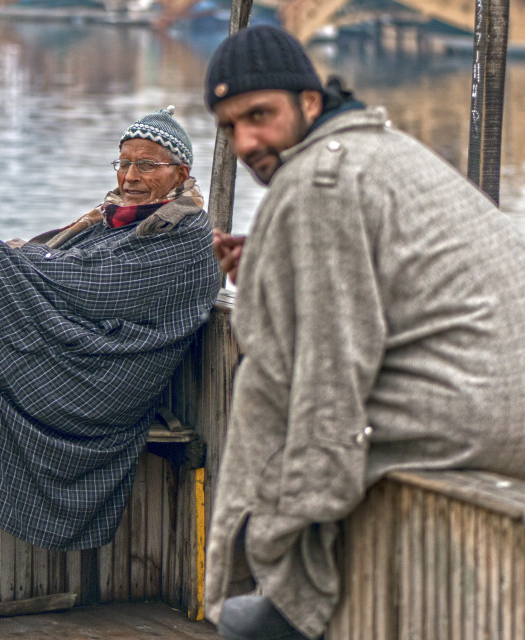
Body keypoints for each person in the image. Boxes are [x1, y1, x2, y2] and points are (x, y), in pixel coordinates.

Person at [203, 25, 525, 640]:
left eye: (260, 115)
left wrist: (276, 532)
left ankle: (271, 600)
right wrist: (273, 263)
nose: (246, 141)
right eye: (229, 127)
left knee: (263, 382)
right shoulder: (382, 150)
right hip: (502, 415)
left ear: (311, 102)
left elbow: (330, 370)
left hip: (455, 421)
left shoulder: (317, 182)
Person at [0, 106, 220, 551]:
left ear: (180, 171)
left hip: (104, 380)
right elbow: (69, 269)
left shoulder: (188, 236)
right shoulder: (116, 219)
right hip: (80, 348)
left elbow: (97, 288)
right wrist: (25, 259)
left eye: (146, 164)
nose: (130, 177)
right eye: (123, 163)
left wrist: (19, 260)